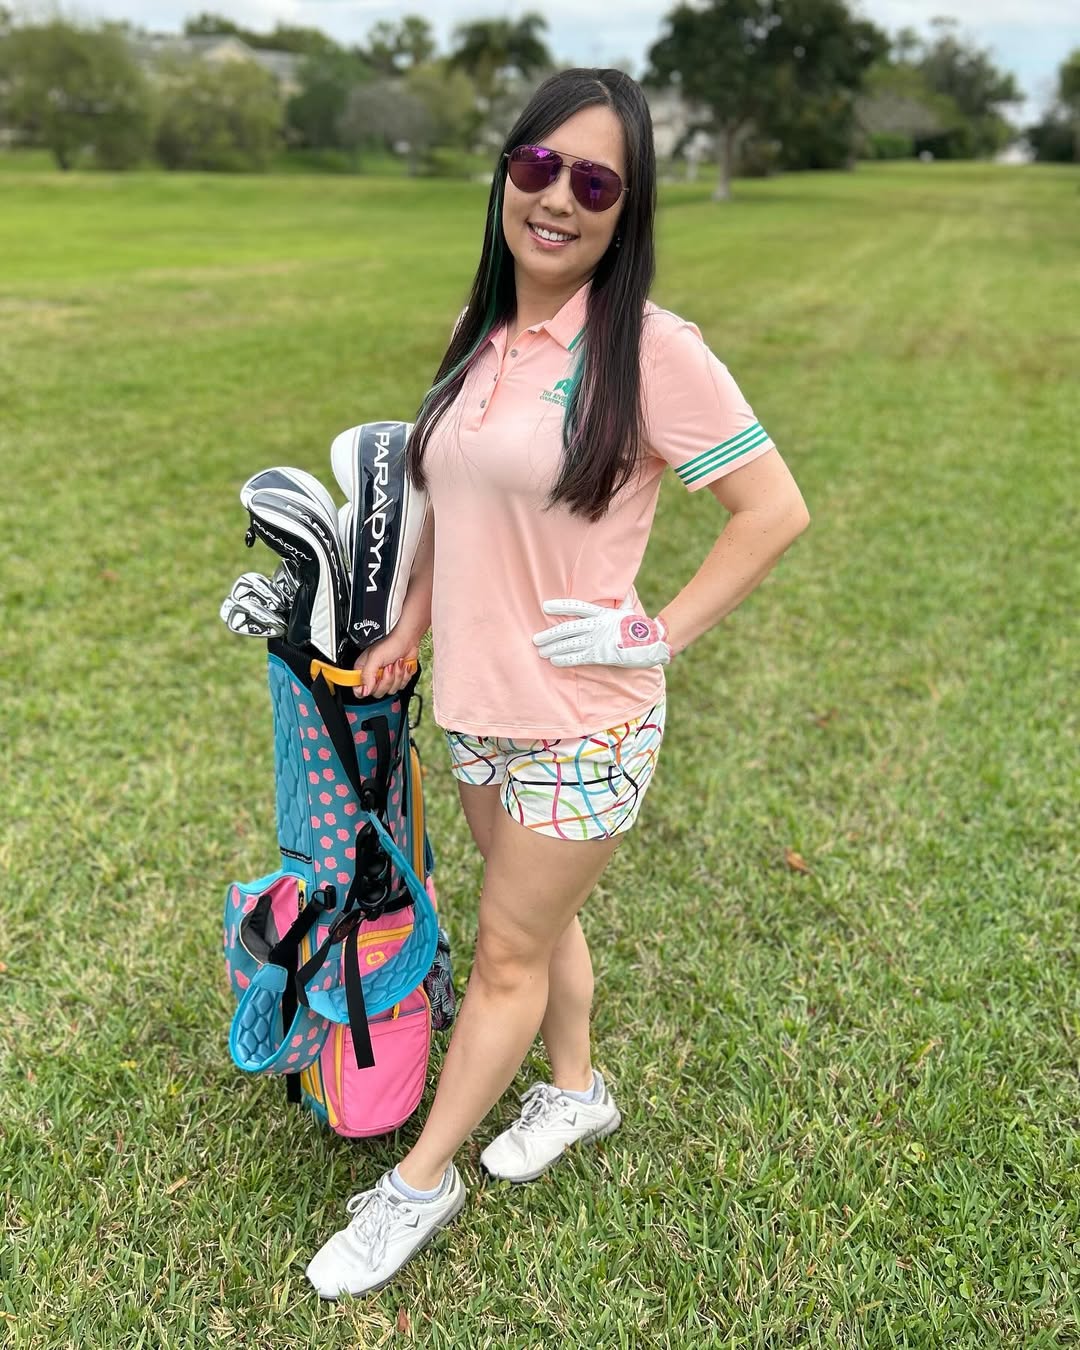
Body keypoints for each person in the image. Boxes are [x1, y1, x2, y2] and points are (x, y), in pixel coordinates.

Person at [305, 67, 810, 1299]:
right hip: (479, 706)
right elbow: (454, 506)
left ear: (623, 212)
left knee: (505, 954)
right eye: (539, 167)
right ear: (506, 173)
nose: (559, 199)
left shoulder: (650, 349)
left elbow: (772, 508)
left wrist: (661, 632)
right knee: (536, 919)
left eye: (596, 183)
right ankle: (577, 1092)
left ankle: (421, 1180)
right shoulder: (489, 337)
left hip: (583, 725)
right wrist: (413, 621)